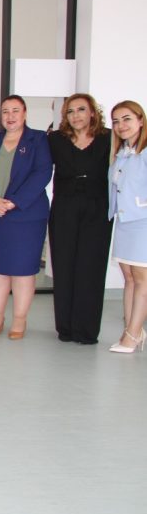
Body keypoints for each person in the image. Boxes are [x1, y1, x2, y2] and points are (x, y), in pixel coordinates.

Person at [0, 95, 52, 340]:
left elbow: (42, 173)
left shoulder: (38, 139)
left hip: (26, 215)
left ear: (25, 113)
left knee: (23, 270)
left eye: (15, 110)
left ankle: (19, 319)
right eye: (5, 111)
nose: (10, 116)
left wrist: (14, 201)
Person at [48, 93, 112, 344]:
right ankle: (65, 328)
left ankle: (86, 330)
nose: (76, 115)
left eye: (81, 109)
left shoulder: (109, 138)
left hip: (97, 210)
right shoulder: (55, 139)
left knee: (91, 267)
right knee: (64, 266)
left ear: (93, 112)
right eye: (70, 111)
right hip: (64, 208)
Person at [107, 100, 147, 353]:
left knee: (142, 279)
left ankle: (132, 335)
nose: (121, 125)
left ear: (141, 120)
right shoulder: (121, 152)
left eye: (127, 119)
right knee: (129, 278)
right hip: (124, 222)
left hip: (142, 222)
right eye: (116, 121)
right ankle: (132, 330)